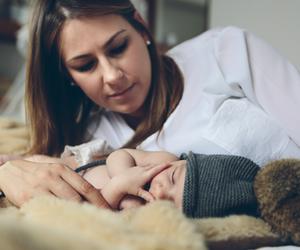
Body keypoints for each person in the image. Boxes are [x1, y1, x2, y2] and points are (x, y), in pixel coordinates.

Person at [0, 0, 300, 208]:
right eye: (86, 65)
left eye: (118, 48)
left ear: (142, 28)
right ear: (66, 75)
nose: (112, 76)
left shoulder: (226, 52)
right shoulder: (88, 139)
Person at [65, 148, 261, 217]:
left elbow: (95, 215)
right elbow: (118, 155)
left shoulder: (143, 214)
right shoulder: (163, 161)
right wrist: (125, 175)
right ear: (182, 160)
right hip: (80, 168)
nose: (161, 191)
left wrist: (117, 190)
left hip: (68, 198)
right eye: (173, 178)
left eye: (169, 204)